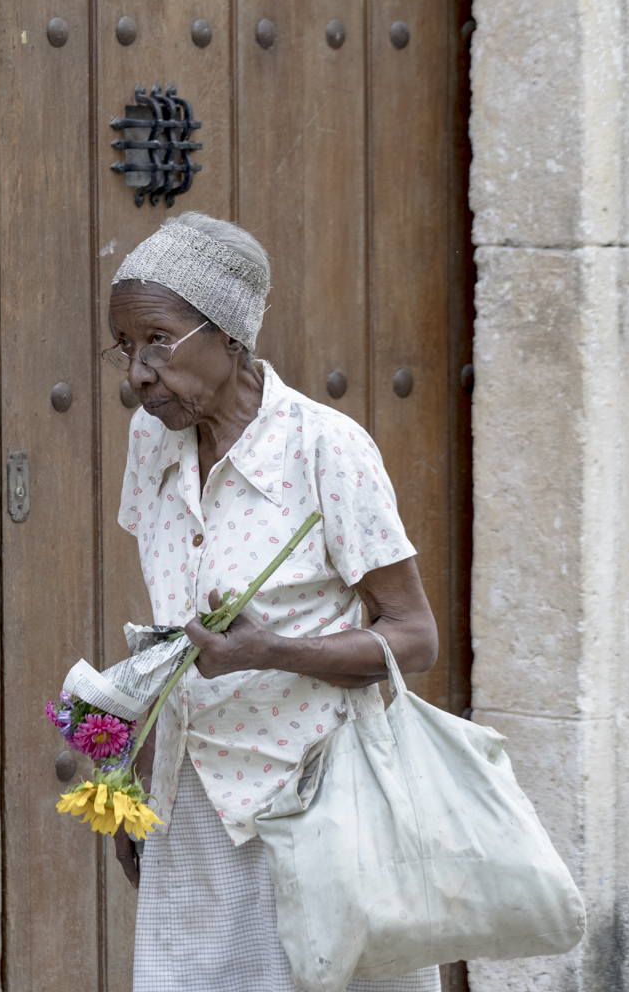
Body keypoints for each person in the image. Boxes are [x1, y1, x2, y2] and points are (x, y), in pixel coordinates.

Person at [107, 212, 442, 992]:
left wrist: (272, 652)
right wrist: (132, 785)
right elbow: (172, 638)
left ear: (228, 335)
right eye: (124, 348)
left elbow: (414, 637)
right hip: (193, 808)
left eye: (157, 340)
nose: (137, 372)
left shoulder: (326, 449)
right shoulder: (150, 439)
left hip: (317, 804)